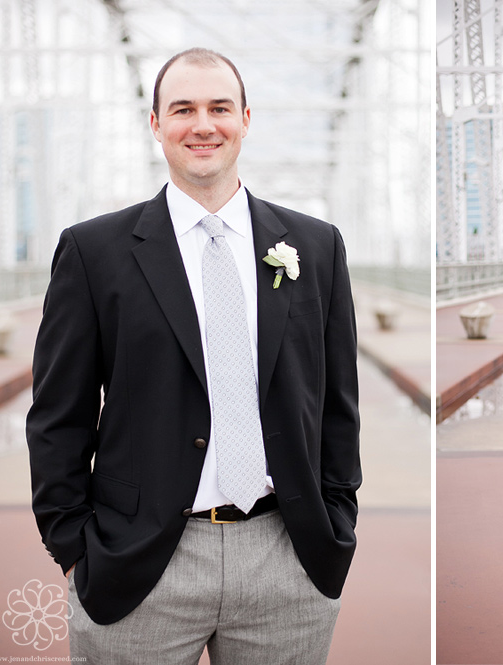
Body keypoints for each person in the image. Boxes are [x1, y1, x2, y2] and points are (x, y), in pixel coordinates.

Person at [26, 47, 361, 664]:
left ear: (245, 119)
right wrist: (73, 546)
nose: (202, 125)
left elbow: (339, 400)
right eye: (182, 109)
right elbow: (58, 414)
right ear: (156, 124)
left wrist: (337, 521)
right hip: (141, 561)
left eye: (219, 108)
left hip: (286, 554)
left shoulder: (314, 246)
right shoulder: (93, 250)